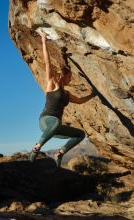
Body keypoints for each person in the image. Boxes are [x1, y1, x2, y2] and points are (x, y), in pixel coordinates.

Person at [29, 31, 96, 167]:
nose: (70, 79)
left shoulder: (68, 94)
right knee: (55, 121)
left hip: (56, 126)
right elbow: (47, 62)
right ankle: (36, 148)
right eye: (69, 77)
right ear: (62, 76)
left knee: (80, 134)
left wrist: (94, 94)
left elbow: (80, 101)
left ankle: (59, 153)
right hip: (46, 121)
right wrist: (43, 39)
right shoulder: (52, 84)